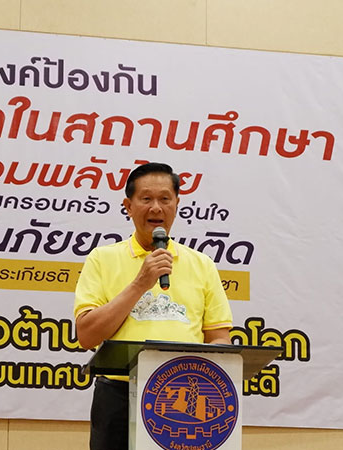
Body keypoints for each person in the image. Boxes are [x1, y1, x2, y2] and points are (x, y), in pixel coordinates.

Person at [73, 162, 232, 450]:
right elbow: (87, 335)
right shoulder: (102, 259)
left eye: (165, 199)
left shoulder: (202, 264)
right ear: (128, 206)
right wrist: (140, 283)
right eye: (146, 199)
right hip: (119, 395)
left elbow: (219, 338)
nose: (156, 208)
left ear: (177, 204)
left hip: (185, 396)